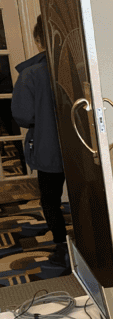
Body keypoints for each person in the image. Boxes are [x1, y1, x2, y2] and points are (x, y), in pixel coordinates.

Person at [11, 15, 68, 269]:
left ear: (37, 40)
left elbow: (23, 116)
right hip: (82, 147)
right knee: (84, 198)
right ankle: (91, 247)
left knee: (50, 199)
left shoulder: (31, 75)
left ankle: (61, 246)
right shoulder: (76, 67)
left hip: (48, 146)